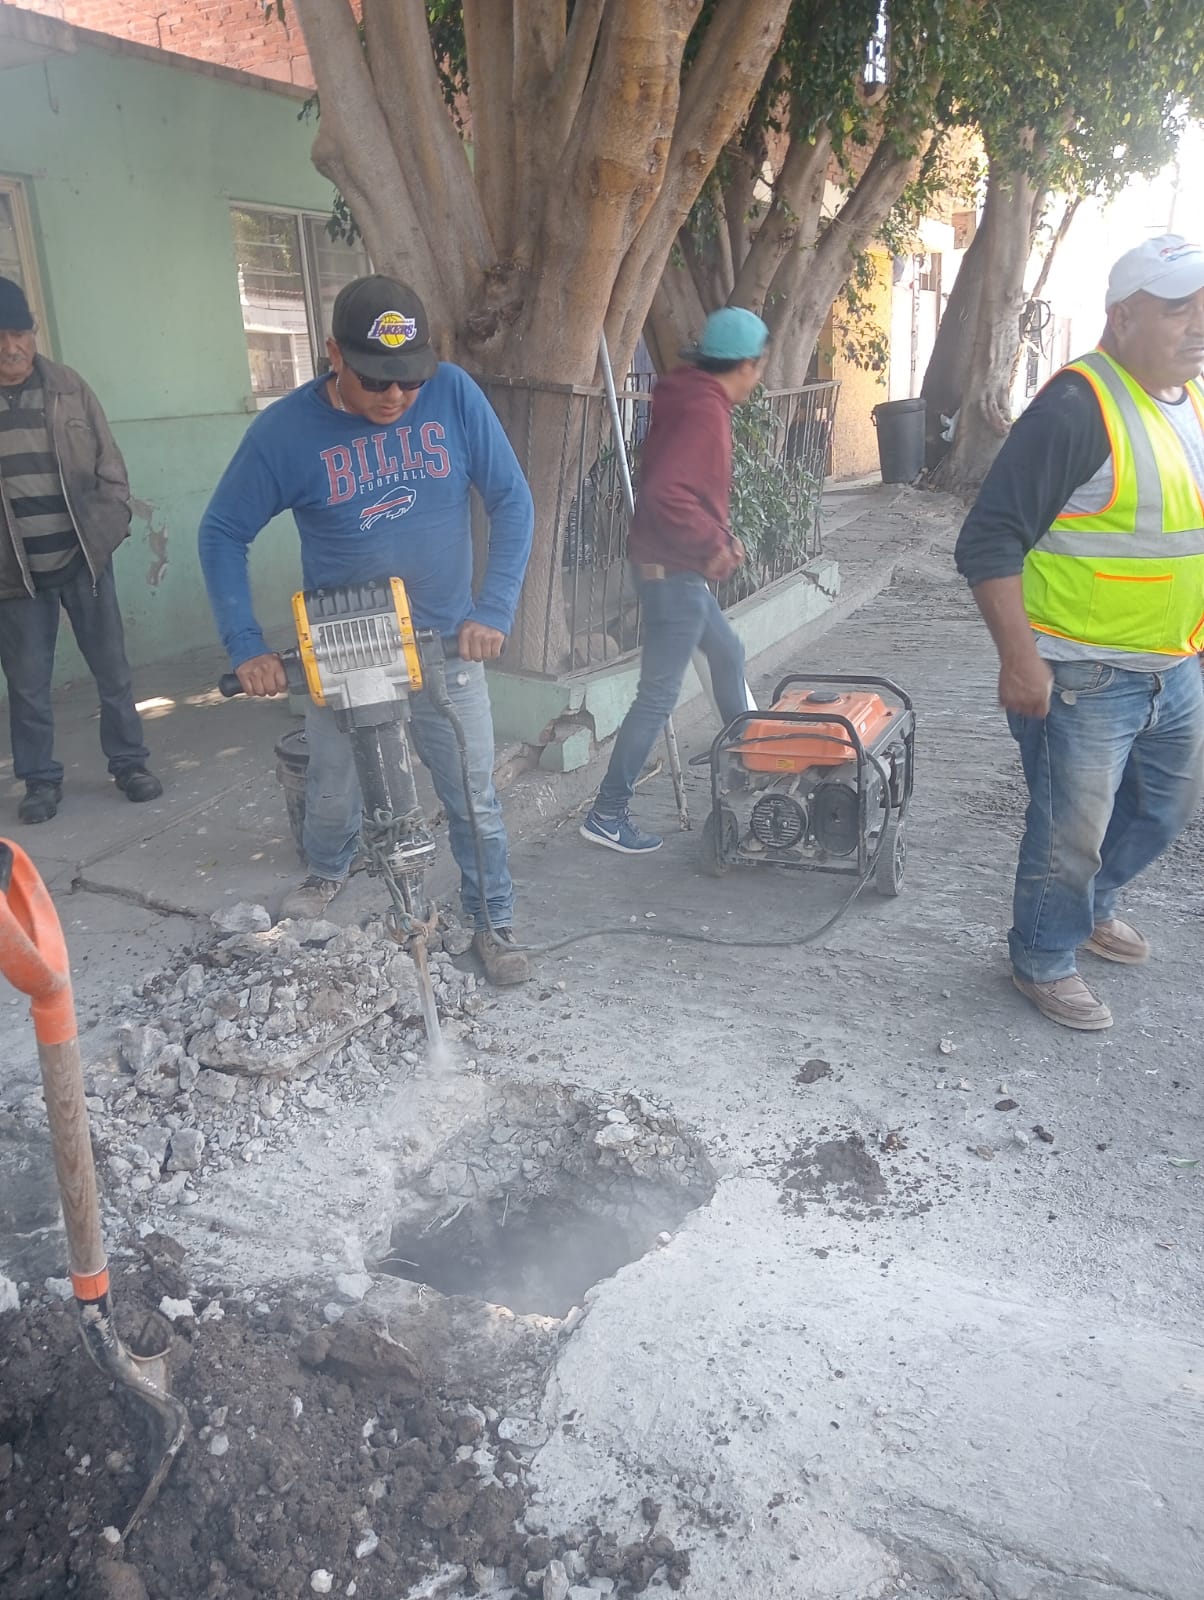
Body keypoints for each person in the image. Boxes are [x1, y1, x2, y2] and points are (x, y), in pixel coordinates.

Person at [199, 275, 534, 985]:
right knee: (332, 786)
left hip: (446, 641)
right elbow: (223, 531)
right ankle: (328, 869)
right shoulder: (286, 434)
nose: (395, 398)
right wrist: (247, 646)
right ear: (332, 355)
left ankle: (491, 920)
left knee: (473, 794)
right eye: (377, 380)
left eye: (409, 382)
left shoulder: (455, 396)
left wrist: (493, 609)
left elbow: (512, 500)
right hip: (346, 644)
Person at [954, 235, 1204, 1030]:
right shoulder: (1074, 407)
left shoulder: (1186, 399)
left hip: (1173, 665)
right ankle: (1042, 955)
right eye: (1179, 309)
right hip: (1081, 674)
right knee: (1069, 832)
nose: (1199, 324)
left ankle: (1089, 907)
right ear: (1124, 317)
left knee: (1159, 813)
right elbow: (986, 540)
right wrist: (1020, 663)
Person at [580, 307, 767, 854]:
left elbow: (675, 489)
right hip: (674, 574)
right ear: (747, 365)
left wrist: (715, 538)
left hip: (668, 566)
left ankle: (749, 764)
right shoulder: (704, 411)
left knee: (727, 653)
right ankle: (608, 812)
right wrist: (714, 545)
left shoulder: (689, 395)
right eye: (760, 366)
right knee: (657, 697)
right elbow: (667, 495)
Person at [0, 276, 161, 823]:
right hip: (13, 574)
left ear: (33, 333)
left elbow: (110, 467)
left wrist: (107, 529)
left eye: (18, 332)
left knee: (112, 670)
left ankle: (129, 763)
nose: (10, 346)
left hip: (83, 561)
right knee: (27, 685)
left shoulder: (69, 386)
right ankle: (40, 781)